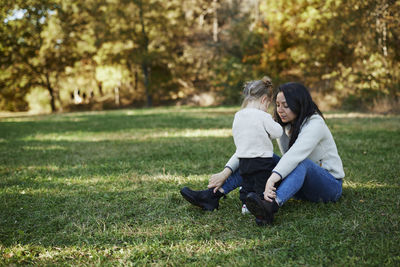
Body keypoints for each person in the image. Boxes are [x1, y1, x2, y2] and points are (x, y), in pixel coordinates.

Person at [180, 82, 345, 226]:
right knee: (259, 157)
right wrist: (226, 171)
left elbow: (294, 156)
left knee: (301, 163)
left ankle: (270, 206)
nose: (280, 110)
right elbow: (250, 148)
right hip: (297, 185)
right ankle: (212, 196)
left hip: (328, 187)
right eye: (278, 105)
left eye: (285, 105)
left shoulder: (315, 123)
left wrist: (272, 180)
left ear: (299, 104)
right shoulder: (283, 125)